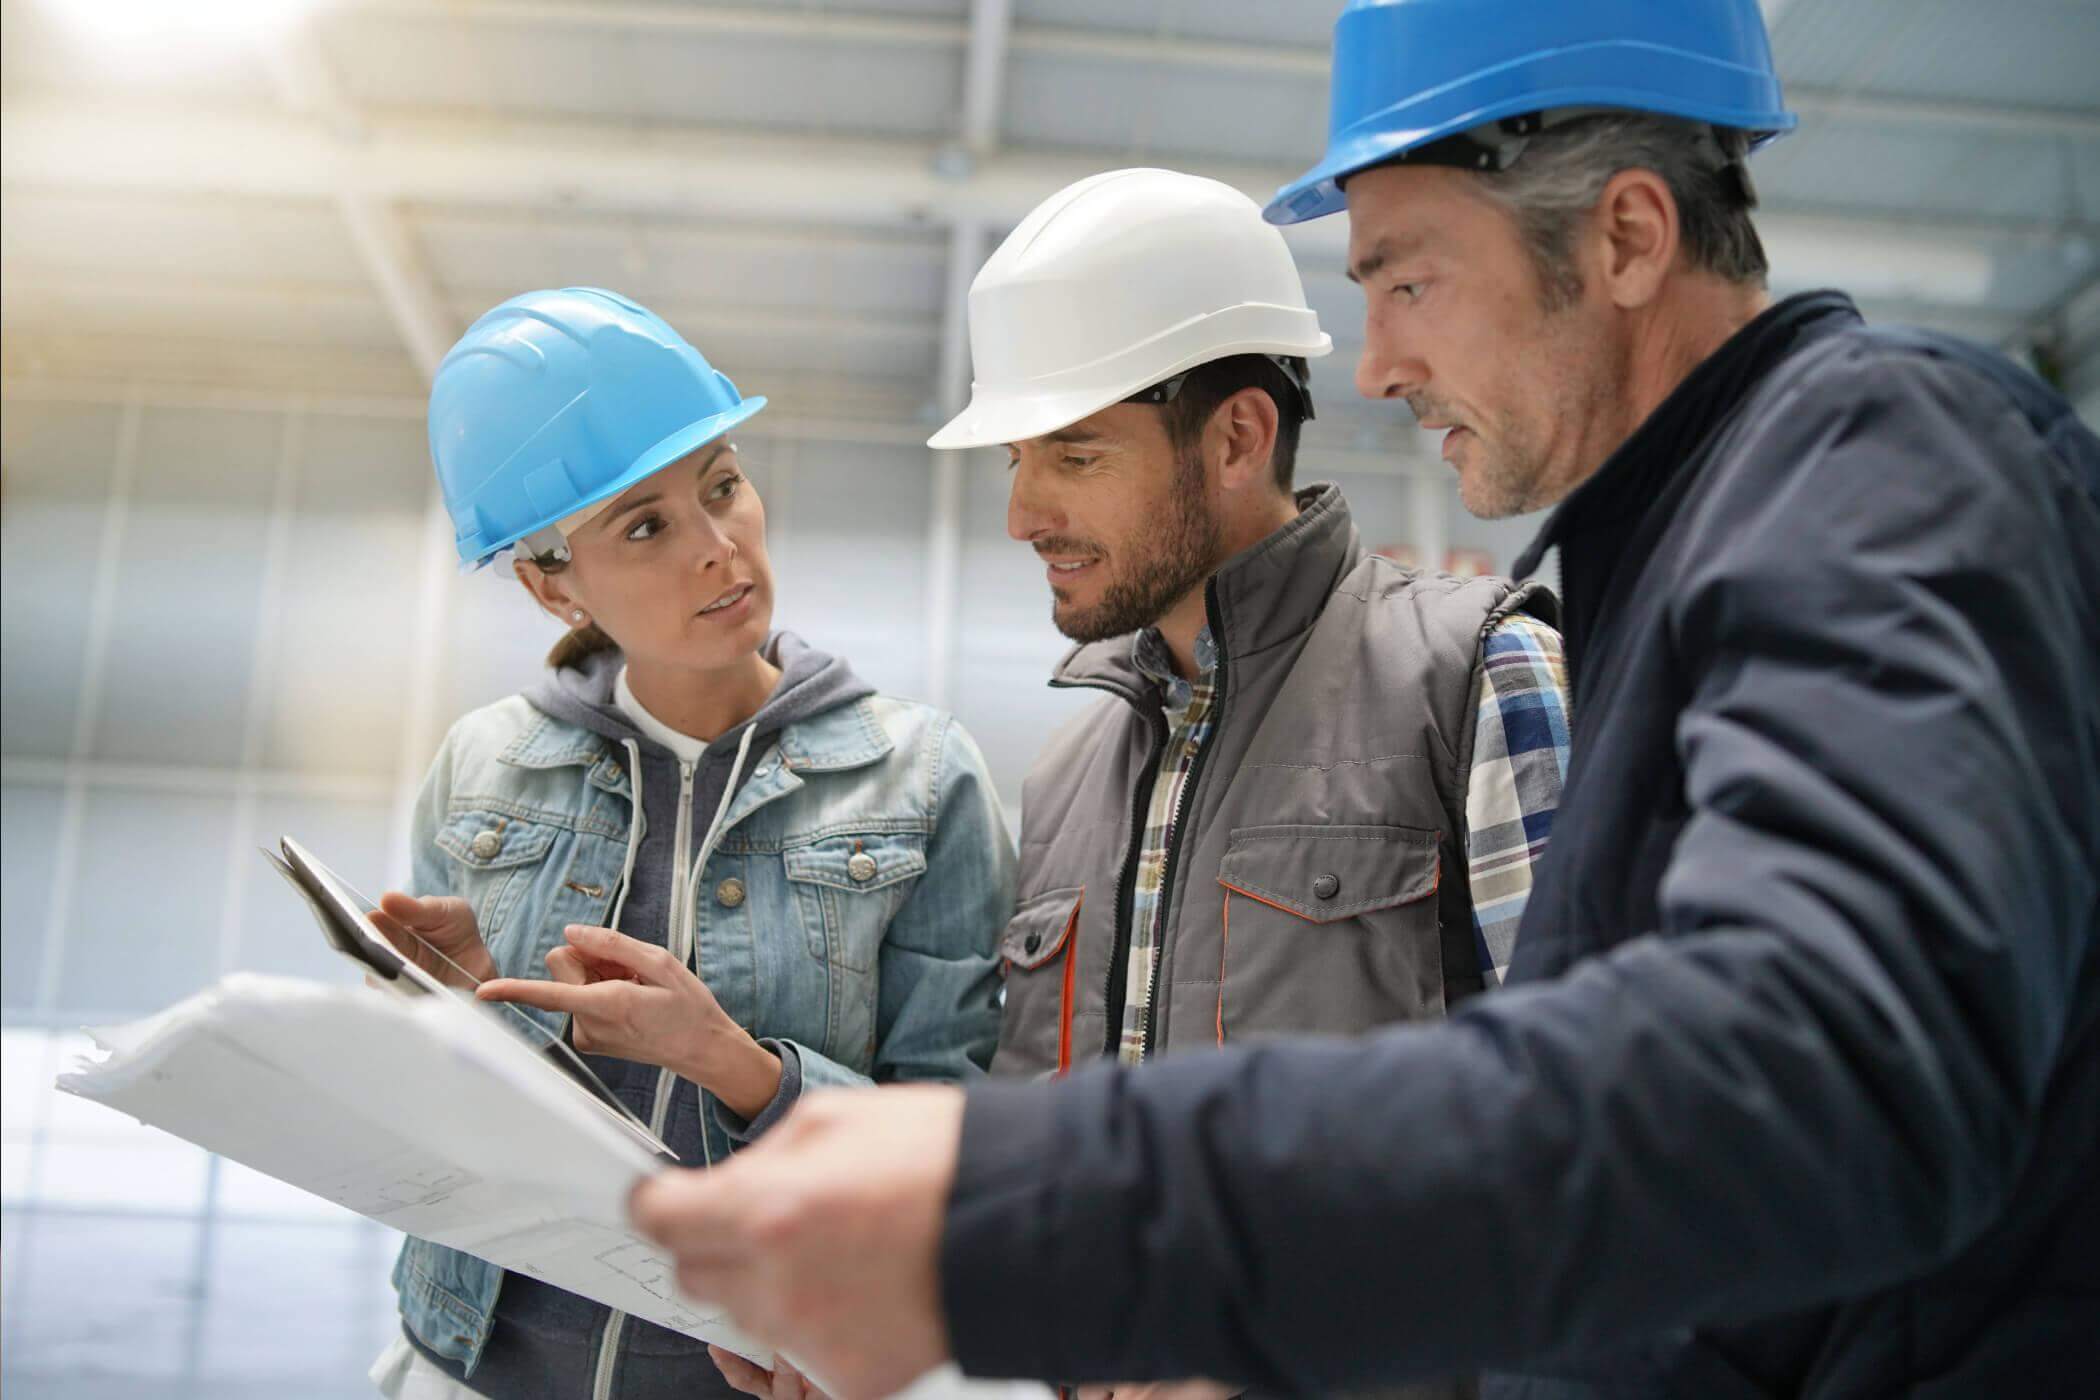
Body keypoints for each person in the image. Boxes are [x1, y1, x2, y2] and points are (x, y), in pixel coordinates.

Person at [625, 2, 2100, 1397]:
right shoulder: (1672, 564)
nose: (1380, 364)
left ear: (1631, 236)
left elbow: (1821, 1075)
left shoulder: (1879, 460)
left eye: (1406, 279)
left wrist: (1054, 1224)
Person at [361, 287, 1017, 1400]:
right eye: (647, 525)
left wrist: (742, 1068)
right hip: (470, 1364)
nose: (721, 548)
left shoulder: (921, 778)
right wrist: (466, 1007)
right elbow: (437, 1134)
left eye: (723, 485)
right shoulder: (484, 766)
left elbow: (947, 1139)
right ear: (547, 579)